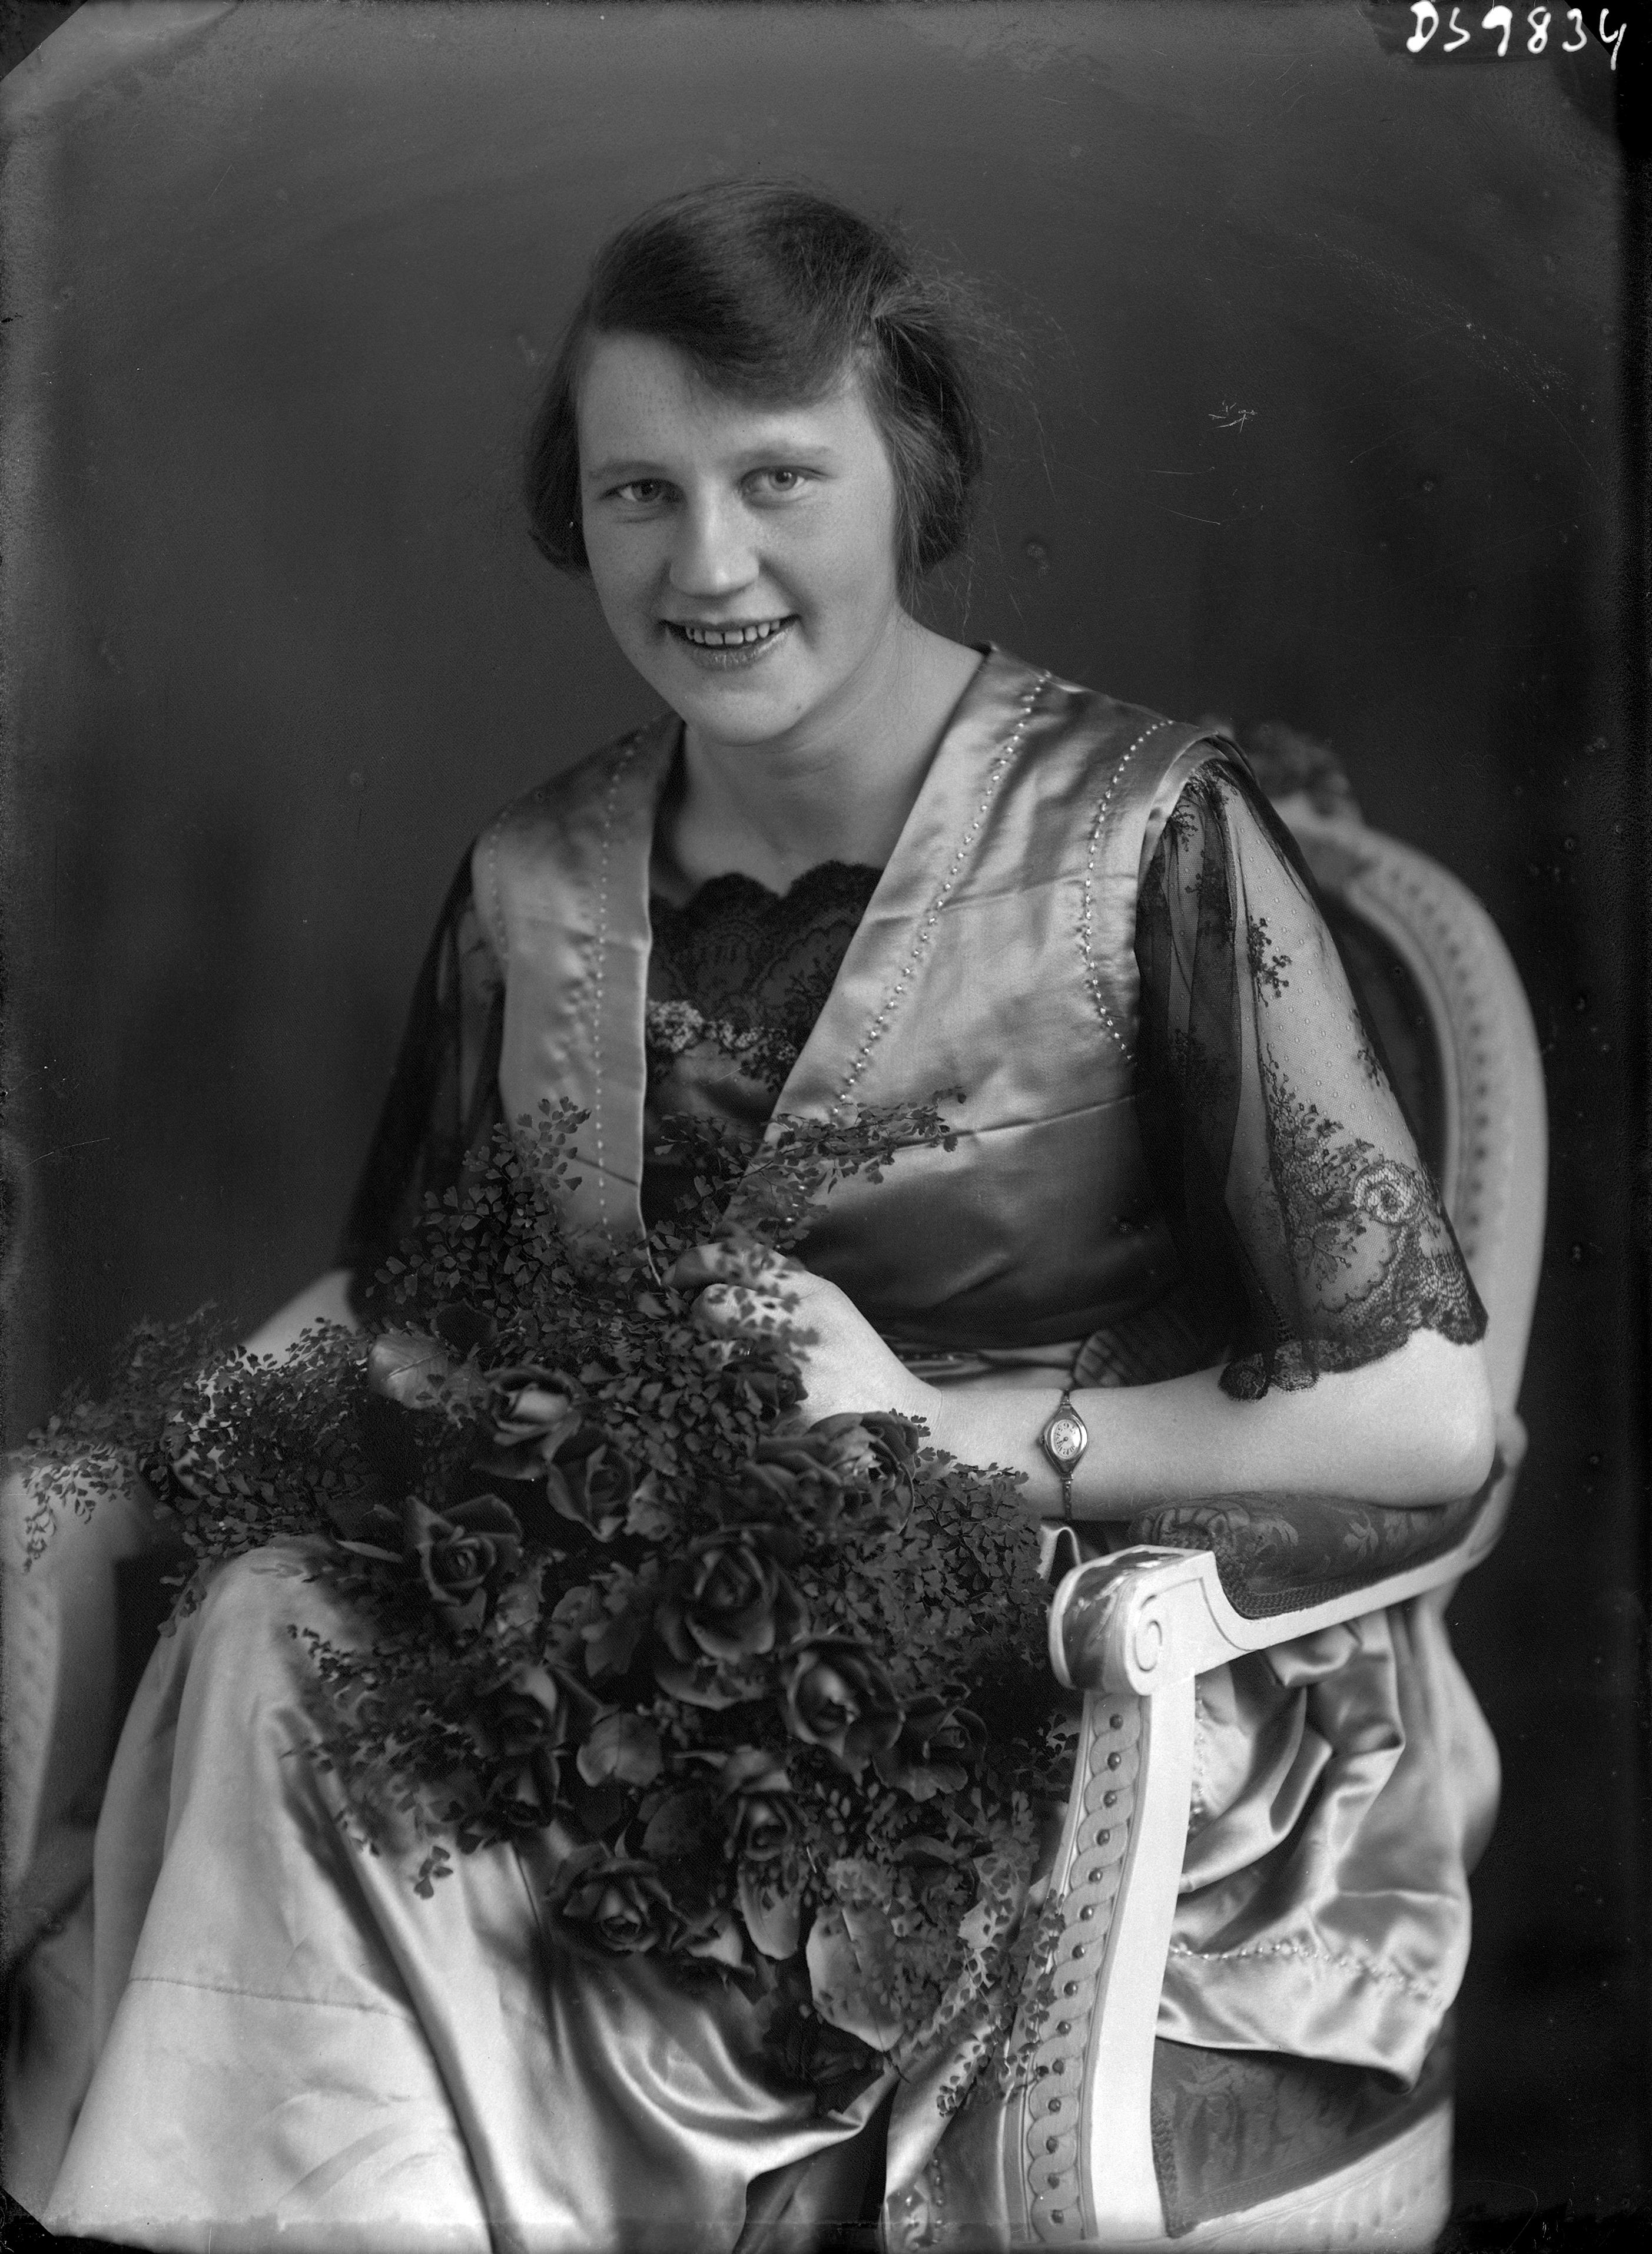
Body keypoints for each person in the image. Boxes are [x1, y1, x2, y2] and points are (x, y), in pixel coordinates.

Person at [8, 181, 1498, 2250]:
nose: (707, 565)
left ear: (915, 476)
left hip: (1047, 1710)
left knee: (281, 1677)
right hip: (619, 1670)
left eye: (778, 477)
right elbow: (417, 1313)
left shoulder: (1144, 835)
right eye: (641, 491)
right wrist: (115, 1486)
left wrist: (951, 1426)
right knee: (249, 1617)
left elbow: (1427, 1415)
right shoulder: (535, 876)